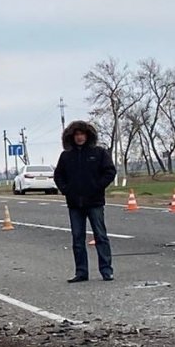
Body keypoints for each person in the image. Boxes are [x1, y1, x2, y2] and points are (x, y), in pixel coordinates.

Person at [53, 120, 117, 283]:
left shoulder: (98, 153)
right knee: (77, 238)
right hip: (75, 203)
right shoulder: (66, 156)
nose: (80, 137)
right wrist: (66, 189)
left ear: (88, 136)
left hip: (94, 202)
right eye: (76, 135)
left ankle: (106, 270)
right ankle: (81, 272)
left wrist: (98, 186)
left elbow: (110, 171)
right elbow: (58, 175)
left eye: (82, 134)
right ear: (71, 137)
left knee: (100, 236)